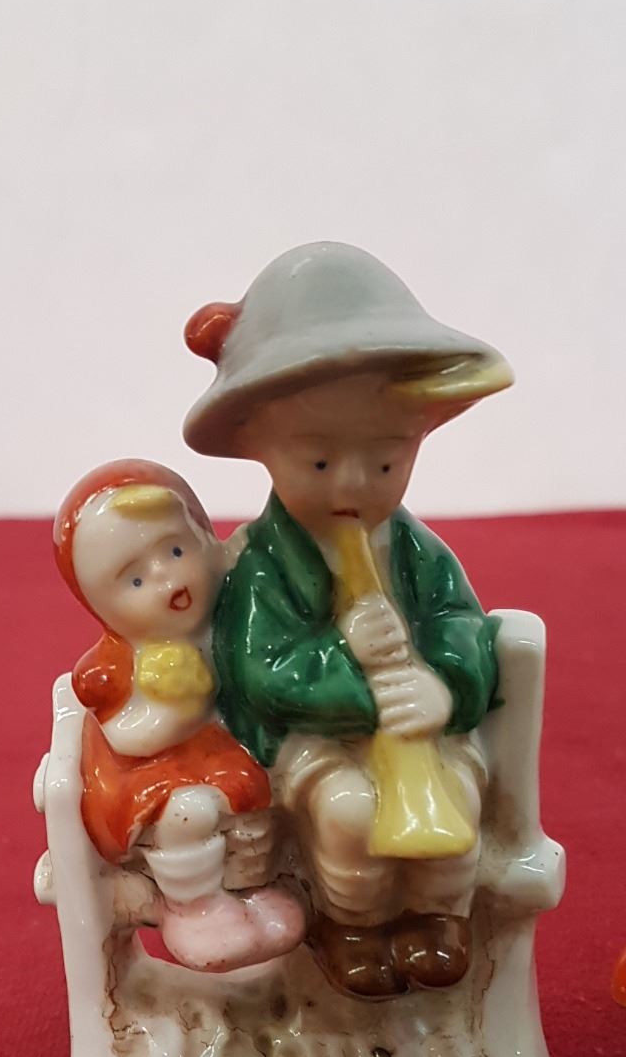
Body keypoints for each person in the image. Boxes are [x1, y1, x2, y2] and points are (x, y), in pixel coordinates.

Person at [183, 243, 511, 998]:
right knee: (348, 813)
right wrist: (343, 656)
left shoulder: (417, 553)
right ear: (260, 446)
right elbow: (260, 670)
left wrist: (442, 685)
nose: (355, 485)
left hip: (425, 734)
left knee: (460, 808)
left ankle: (437, 919)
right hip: (319, 745)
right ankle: (351, 925)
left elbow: (461, 622)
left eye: (387, 462)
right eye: (320, 462)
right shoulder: (264, 564)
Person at [53, 459, 305, 973]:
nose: (167, 579)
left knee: (266, 797)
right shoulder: (124, 663)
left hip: (220, 755)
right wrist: (177, 714)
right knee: (188, 813)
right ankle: (194, 907)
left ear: (207, 541)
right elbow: (126, 737)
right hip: (148, 774)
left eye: (175, 550)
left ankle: (257, 895)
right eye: (136, 579)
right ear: (102, 607)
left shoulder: (238, 616)